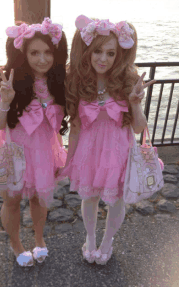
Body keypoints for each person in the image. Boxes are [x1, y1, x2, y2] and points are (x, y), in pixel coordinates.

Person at [56, 15, 156, 265]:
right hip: (89, 151)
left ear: (119, 55)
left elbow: (139, 128)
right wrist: (69, 161)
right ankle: (90, 238)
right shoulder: (77, 81)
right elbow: (76, 128)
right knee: (88, 197)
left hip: (118, 150)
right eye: (97, 51)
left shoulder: (128, 80)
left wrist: (135, 104)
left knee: (116, 200)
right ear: (88, 51)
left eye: (111, 53)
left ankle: (108, 240)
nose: (103, 58)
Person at [0, 18, 68, 267]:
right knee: (11, 200)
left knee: (38, 199)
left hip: (43, 151)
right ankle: (16, 245)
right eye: (34, 52)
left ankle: (40, 240)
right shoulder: (6, 84)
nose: (42, 59)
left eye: (47, 52)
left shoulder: (57, 83)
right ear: (23, 53)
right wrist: (6, 101)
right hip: (13, 151)